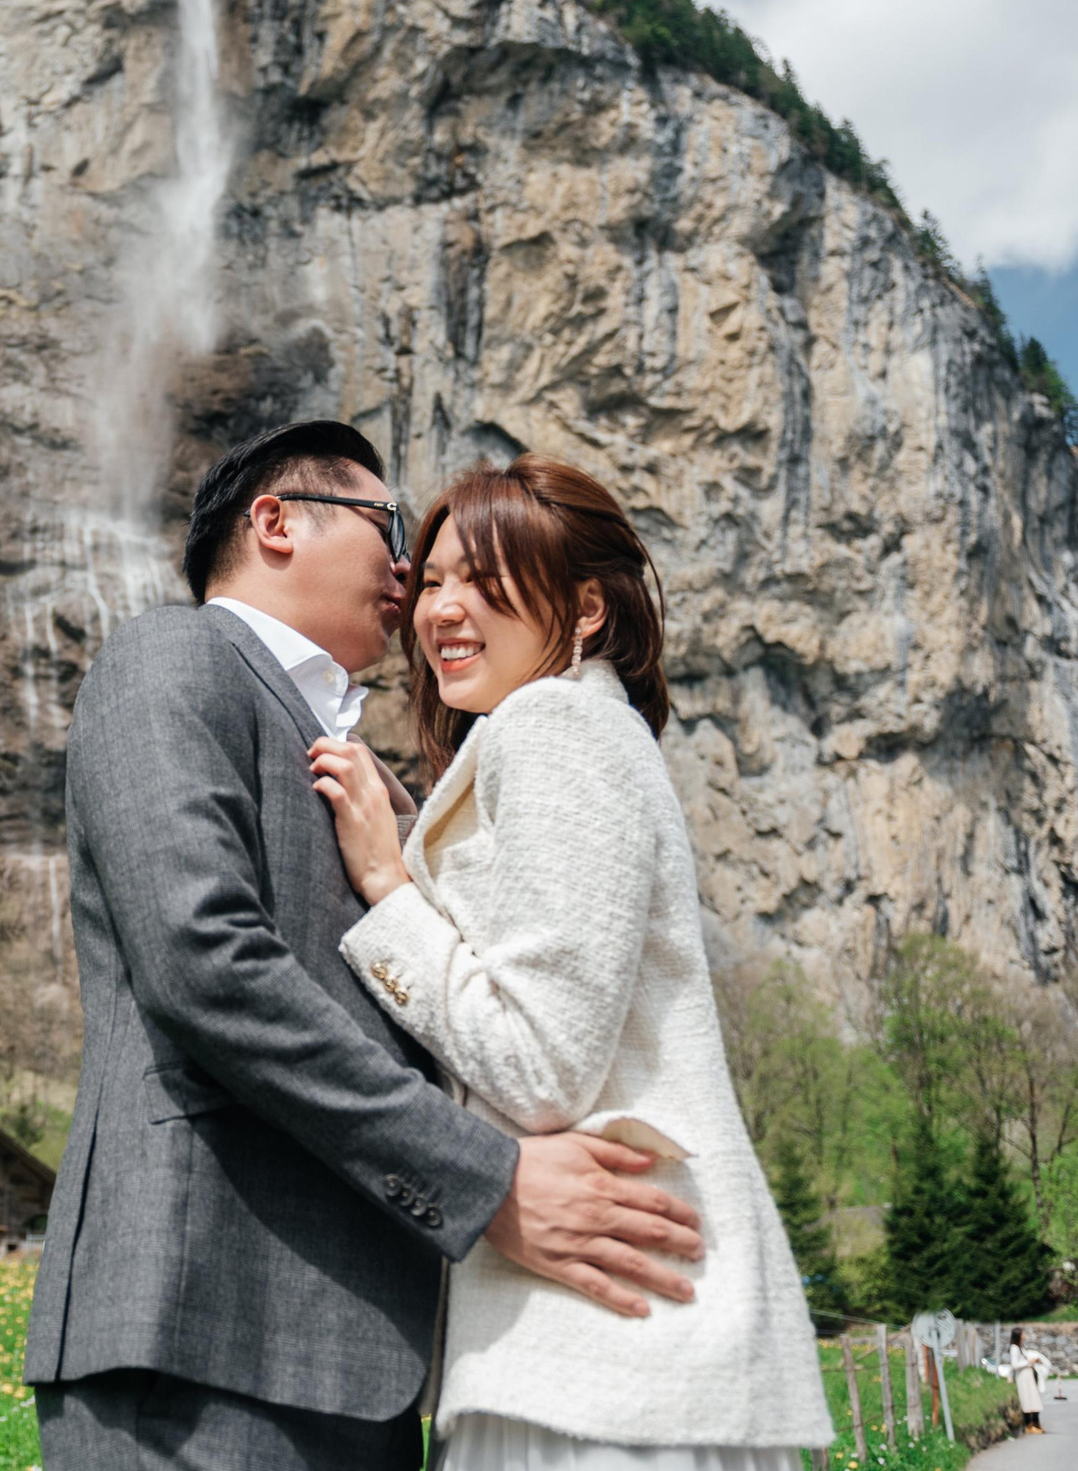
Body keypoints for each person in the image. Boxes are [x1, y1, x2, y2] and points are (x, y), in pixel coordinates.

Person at [24, 422, 706, 1471]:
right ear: (275, 521)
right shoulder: (170, 653)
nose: (407, 569)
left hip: (369, 1361)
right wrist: (487, 1180)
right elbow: (204, 961)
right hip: (199, 1329)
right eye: (390, 528)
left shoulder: (367, 776)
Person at [307, 455, 836, 1470]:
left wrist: (387, 888)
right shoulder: (586, 730)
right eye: (432, 581)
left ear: (585, 607)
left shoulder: (551, 722)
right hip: (622, 1346)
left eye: (483, 577)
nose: (441, 610)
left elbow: (542, 1063)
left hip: (599, 1355)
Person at [1006, 1328, 1051, 1435]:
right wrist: (1028, 1362)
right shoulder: (1014, 1348)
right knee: (1027, 1400)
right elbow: (1014, 1365)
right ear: (1019, 1335)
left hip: (1028, 1376)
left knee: (1034, 1399)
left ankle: (1035, 1423)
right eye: (1023, 1334)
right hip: (1023, 1377)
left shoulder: (1020, 1347)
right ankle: (1029, 1425)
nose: (1024, 1335)